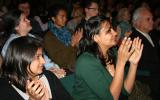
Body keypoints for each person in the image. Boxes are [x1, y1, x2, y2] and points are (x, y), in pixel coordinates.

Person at [72, 15, 143, 100]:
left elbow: (126, 91)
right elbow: (111, 98)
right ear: (95, 37)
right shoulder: (85, 62)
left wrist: (133, 64)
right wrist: (121, 63)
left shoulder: (113, 52)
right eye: (109, 31)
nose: (115, 33)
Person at [0, 36, 73, 100]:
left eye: (42, 56)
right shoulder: (4, 89)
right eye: (37, 57)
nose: (43, 61)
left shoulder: (48, 76)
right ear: (21, 60)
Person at [1, 9, 66, 79]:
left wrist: (56, 69)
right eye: (24, 20)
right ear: (16, 26)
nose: (29, 21)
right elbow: (23, 73)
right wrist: (49, 74)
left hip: (41, 74)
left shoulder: (31, 37)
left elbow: (44, 59)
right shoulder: (12, 44)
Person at [130, 7, 160, 99]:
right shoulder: (133, 39)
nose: (152, 21)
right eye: (148, 19)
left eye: (152, 19)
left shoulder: (152, 34)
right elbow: (139, 65)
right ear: (138, 22)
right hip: (148, 80)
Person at [44, 4, 82, 72]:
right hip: (66, 69)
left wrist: (79, 43)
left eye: (66, 16)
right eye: (62, 16)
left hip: (77, 62)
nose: (65, 19)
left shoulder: (69, 31)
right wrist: (72, 44)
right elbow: (59, 60)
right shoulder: (49, 37)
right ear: (53, 18)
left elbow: (78, 50)